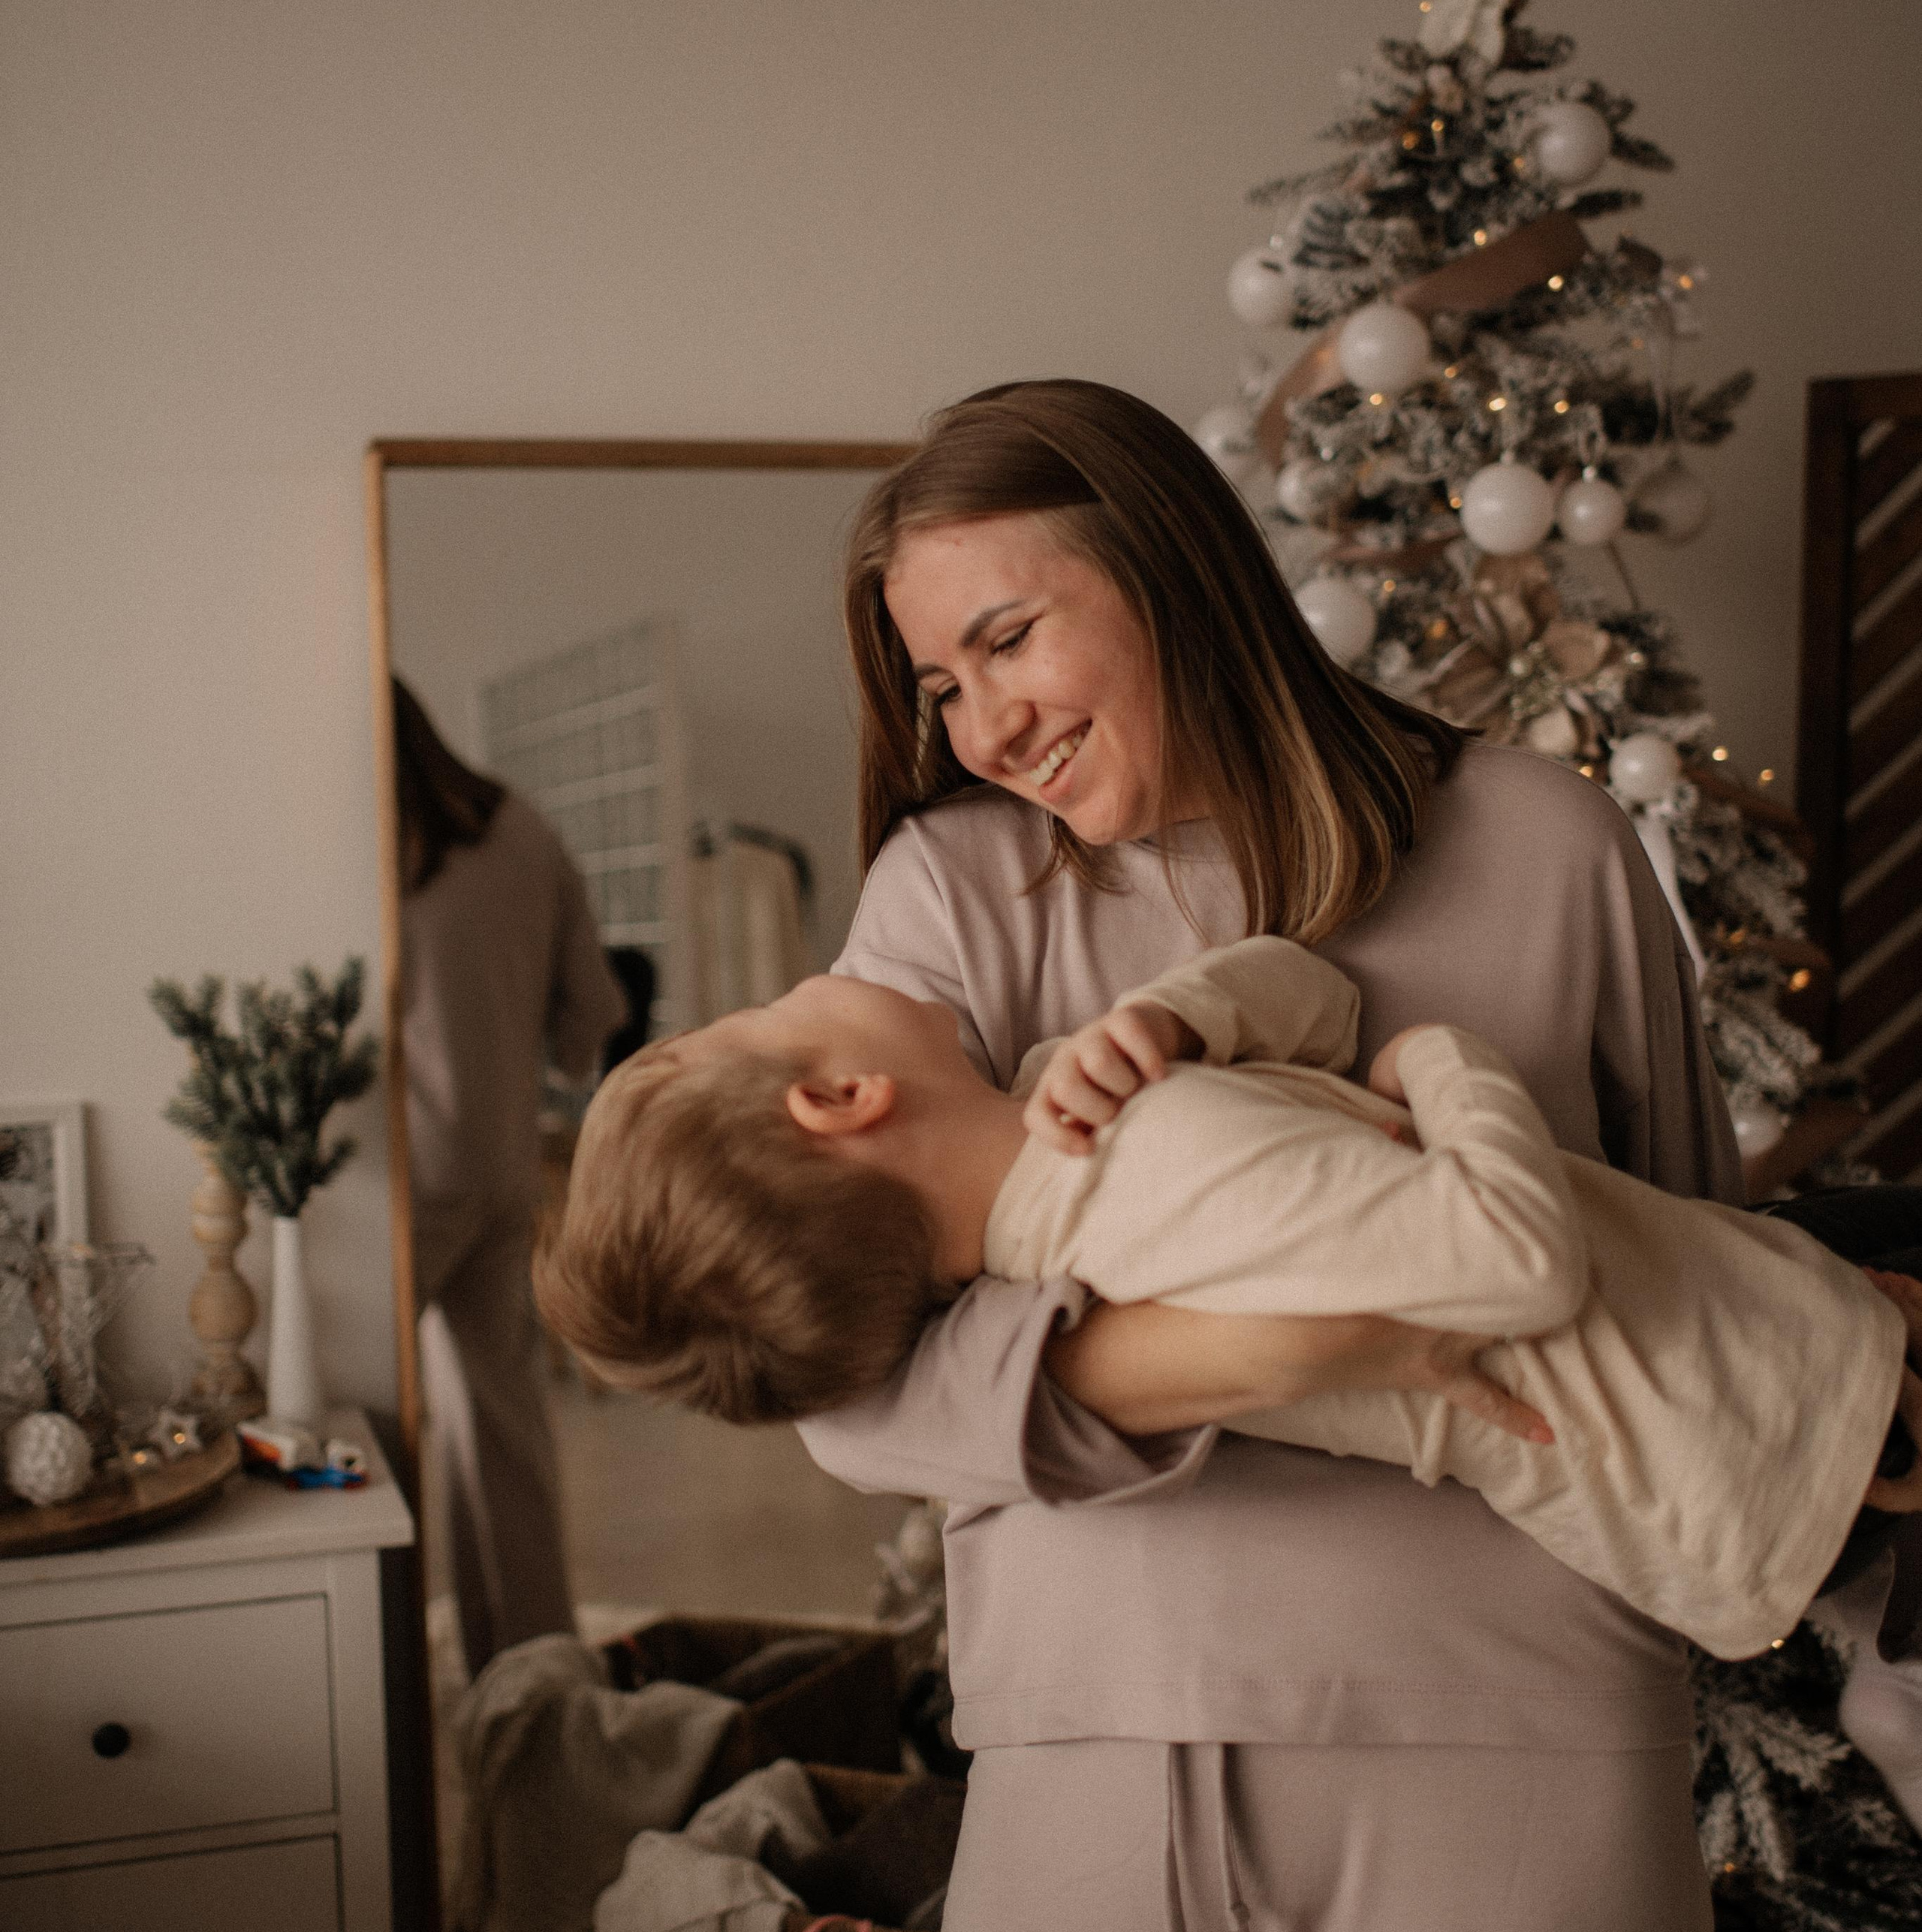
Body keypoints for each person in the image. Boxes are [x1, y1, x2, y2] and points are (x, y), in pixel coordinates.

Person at [735, 374, 1732, 1932]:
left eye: (1006, 637)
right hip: (1103, 1734)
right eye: (938, 682)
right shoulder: (949, 894)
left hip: (1516, 1720)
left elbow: (1688, 1258)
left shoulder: (1547, 846)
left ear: (1173, 563)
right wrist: (1264, 1359)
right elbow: (835, 1380)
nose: (983, 720)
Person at [537, 934, 1922, 1666]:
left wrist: (1181, 1015)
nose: (807, 978)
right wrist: (1445, 1057)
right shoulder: (1153, 1175)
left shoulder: (1077, 1136)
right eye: (751, 1013)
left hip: (1768, 1371)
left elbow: (1310, 1005)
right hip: (1789, 1413)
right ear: (839, 1098)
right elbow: (1516, 1259)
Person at [393, 677, 623, 1680]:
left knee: (351, 1435)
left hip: (403, 1188)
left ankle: (381, 1674)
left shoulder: (379, 854)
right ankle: (533, 1678)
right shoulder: (521, 830)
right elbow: (593, 1011)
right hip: (502, 1165)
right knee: (504, 1432)